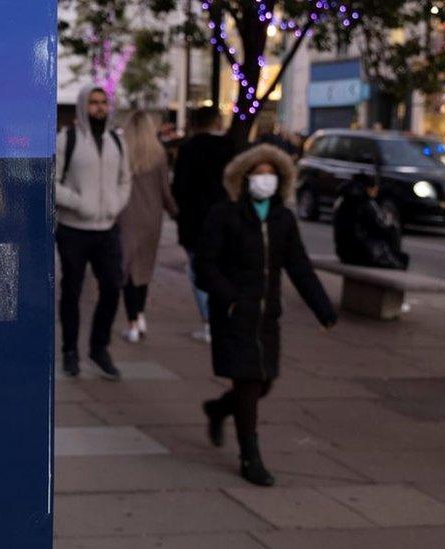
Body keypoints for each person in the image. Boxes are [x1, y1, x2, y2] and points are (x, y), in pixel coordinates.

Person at [195, 144, 338, 487]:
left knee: (265, 382)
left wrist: (323, 309)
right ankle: (250, 457)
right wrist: (229, 299)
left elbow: (298, 266)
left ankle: (218, 409)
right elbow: (204, 267)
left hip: (266, 317)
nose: (265, 179)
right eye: (258, 173)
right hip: (234, 315)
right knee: (248, 382)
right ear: (244, 178)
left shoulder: (282, 219)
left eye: (271, 173)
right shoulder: (224, 214)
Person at [55, 85, 132, 380]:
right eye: (94, 103)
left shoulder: (117, 141)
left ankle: (99, 347)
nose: (99, 107)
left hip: (107, 229)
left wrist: (115, 204)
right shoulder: (68, 139)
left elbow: (126, 179)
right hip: (74, 230)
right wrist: (78, 203)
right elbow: (52, 179)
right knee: (71, 292)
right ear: (83, 106)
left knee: (113, 286)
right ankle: (70, 351)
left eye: (103, 103)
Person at [171, 106, 236, 343]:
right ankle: (224, 317)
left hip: (195, 222)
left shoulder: (188, 149)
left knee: (199, 270)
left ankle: (210, 322)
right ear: (217, 122)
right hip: (225, 221)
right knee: (223, 269)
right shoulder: (230, 147)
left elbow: (180, 188)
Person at [118, 111, 177, 343]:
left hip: (125, 215)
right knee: (144, 269)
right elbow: (165, 190)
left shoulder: (122, 151)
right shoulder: (158, 153)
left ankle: (132, 321)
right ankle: (140, 315)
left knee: (127, 270)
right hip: (152, 217)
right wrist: (174, 210)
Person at [334, 173, 410, 270]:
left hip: (343, 252)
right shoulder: (365, 202)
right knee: (402, 259)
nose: (376, 191)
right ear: (368, 187)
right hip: (361, 252)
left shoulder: (343, 199)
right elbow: (380, 227)